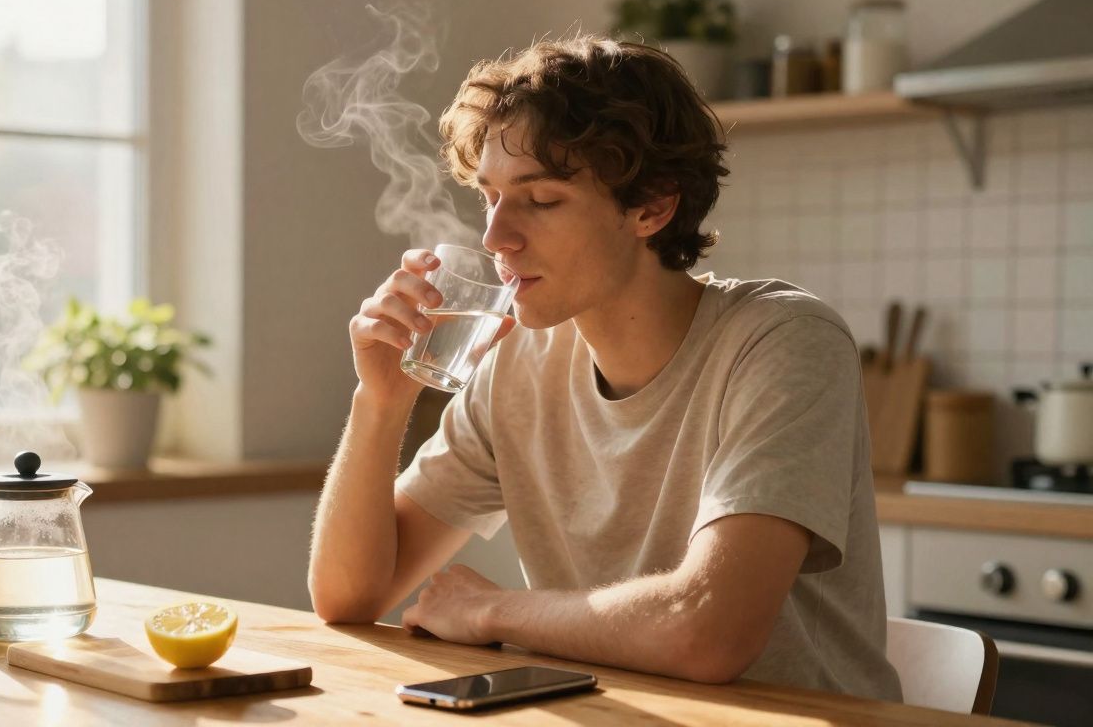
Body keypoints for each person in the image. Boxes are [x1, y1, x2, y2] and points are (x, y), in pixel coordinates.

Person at [307, 35, 901, 702]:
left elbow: (707, 633)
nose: (496, 239)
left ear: (652, 207)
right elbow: (347, 596)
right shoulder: (516, 365)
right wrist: (380, 401)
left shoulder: (784, 341)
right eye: (490, 197)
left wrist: (491, 611)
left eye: (541, 200)